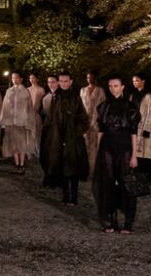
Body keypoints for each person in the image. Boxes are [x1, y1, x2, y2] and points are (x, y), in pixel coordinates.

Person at [93, 77, 140, 234]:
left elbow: (134, 132)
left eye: (116, 86)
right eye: (110, 86)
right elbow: (101, 130)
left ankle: (128, 222)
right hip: (107, 147)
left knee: (126, 183)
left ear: (122, 87)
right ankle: (111, 220)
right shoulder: (103, 107)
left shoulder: (131, 107)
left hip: (125, 147)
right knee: (107, 183)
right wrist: (97, 151)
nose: (113, 89)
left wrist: (134, 155)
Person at [45, 74, 89, 205]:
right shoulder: (55, 97)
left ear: (71, 82)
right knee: (61, 166)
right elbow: (51, 117)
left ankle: (74, 197)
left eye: (66, 81)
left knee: (73, 167)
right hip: (58, 137)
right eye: (61, 81)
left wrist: (75, 133)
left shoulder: (76, 97)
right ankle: (65, 195)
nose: (63, 84)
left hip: (73, 138)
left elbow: (83, 118)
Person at [0, 72, 35, 174]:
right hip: (11, 122)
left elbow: (30, 108)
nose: (14, 80)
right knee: (13, 144)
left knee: (21, 144)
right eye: (13, 78)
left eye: (16, 78)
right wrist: (3, 120)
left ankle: (22, 164)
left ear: (21, 79)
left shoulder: (25, 91)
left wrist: (29, 121)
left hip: (21, 121)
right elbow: (4, 106)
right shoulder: (9, 91)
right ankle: (17, 164)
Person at [129, 75, 151, 183]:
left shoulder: (148, 96)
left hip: (145, 128)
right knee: (135, 153)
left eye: (137, 80)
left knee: (146, 154)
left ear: (143, 81)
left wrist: (147, 129)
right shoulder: (132, 95)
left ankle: (147, 176)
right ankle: (137, 174)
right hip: (134, 126)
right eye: (133, 81)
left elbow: (150, 114)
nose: (135, 82)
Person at [81, 72, 106, 175]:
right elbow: (80, 106)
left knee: (95, 146)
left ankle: (94, 171)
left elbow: (103, 106)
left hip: (96, 121)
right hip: (85, 121)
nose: (89, 79)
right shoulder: (83, 90)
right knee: (84, 145)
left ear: (95, 78)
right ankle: (84, 170)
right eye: (87, 77)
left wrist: (99, 119)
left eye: (91, 77)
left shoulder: (100, 91)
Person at [39, 75, 59, 186]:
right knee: (45, 154)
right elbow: (41, 112)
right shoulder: (46, 97)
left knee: (55, 155)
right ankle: (47, 175)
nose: (51, 84)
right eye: (49, 82)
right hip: (47, 129)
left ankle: (54, 178)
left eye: (53, 82)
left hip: (58, 130)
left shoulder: (61, 97)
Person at [27, 74, 46, 157]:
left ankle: (38, 149)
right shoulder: (27, 89)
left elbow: (43, 102)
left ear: (37, 79)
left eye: (33, 78)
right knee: (28, 132)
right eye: (30, 78)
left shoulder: (41, 89)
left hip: (37, 113)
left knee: (37, 132)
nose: (32, 80)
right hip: (28, 113)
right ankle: (29, 151)